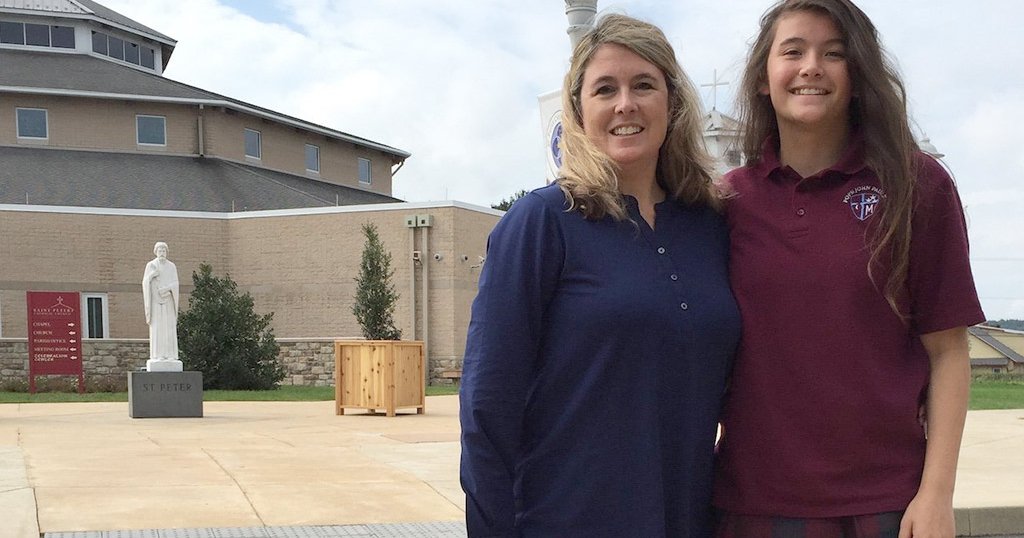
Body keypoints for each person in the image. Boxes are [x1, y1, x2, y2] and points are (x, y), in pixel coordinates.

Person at [459, 13, 741, 538]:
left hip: (689, 519)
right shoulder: (544, 222)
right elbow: (486, 408)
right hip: (563, 519)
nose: (625, 104)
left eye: (643, 85)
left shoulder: (711, 227)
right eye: (604, 89)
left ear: (672, 102)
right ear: (579, 111)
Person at [712, 1, 985, 537]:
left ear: (858, 77)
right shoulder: (726, 202)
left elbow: (949, 351)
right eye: (793, 51)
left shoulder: (918, 186)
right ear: (764, 79)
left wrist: (937, 496)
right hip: (750, 505)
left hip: (884, 505)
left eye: (834, 53)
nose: (812, 66)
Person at [143, 241, 180, 361]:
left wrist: (167, 288)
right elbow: (145, 283)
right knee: (157, 327)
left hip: (168, 299)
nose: (162, 253)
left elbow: (175, 283)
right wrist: (152, 275)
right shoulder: (151, 265)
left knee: (168, 327)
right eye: (160, 251)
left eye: (164, 251)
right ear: (156, 252)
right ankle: (157, 355)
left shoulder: (171, 266)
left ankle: (170, 355)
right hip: (155, 301)